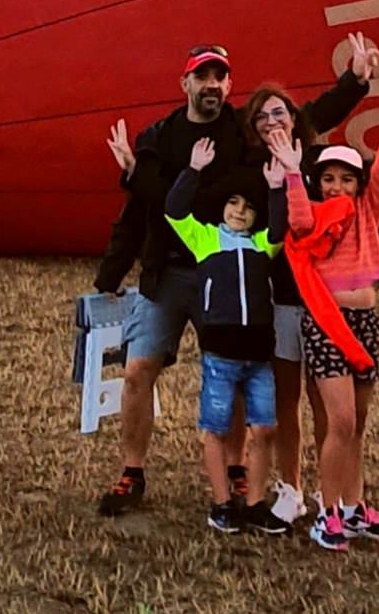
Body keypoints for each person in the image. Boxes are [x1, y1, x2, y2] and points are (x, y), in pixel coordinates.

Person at [230, 37, 379, 524]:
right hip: (287, 299)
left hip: (327, 301)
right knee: (289, 398)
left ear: (294, 119)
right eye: (263, 117)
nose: (274, 122)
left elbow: (357, 146)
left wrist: (359, 79)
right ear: (252, 128)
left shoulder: (315, 161)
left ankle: (335, 497)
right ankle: (292, 487)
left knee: (333, 410)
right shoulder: (251, 168)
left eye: (281, 114)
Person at [92, 45, 246, 516]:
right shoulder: (159, 137)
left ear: (229, 85)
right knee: (138, 371)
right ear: (185, 85)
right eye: (202, 77)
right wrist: (111, 273)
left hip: (222, 273)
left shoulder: (241, 134)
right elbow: (141, 212)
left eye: (219, 77)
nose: (211, 86)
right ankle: (132, 472)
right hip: (168, 273)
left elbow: (302, 121)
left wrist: (355, 85)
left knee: (233, 375)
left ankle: (237, 471)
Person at [271, 64, 379, 551]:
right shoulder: (312, 218)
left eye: (346, 179)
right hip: (327, 322)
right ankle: (328, 511)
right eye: (329, 179)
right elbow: (295, 219)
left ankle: (354, 509)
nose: (338, 187)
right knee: (340, 422)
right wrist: (293, 172)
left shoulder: (367, 212)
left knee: (357, 423)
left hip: (365, 321)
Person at [162, 137, 291, 536]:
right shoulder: (204, 239)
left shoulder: (260, 245)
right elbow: (174, 210)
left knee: (265, 428)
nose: (240, 211)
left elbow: (281, 227)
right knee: (215, 428)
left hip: (258, 355)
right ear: (222, 208)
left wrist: (274, 189)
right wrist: (193, 169)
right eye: (233, 204)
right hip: (219, 353)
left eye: (248, 207)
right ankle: (221, 503)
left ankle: (253, 502)